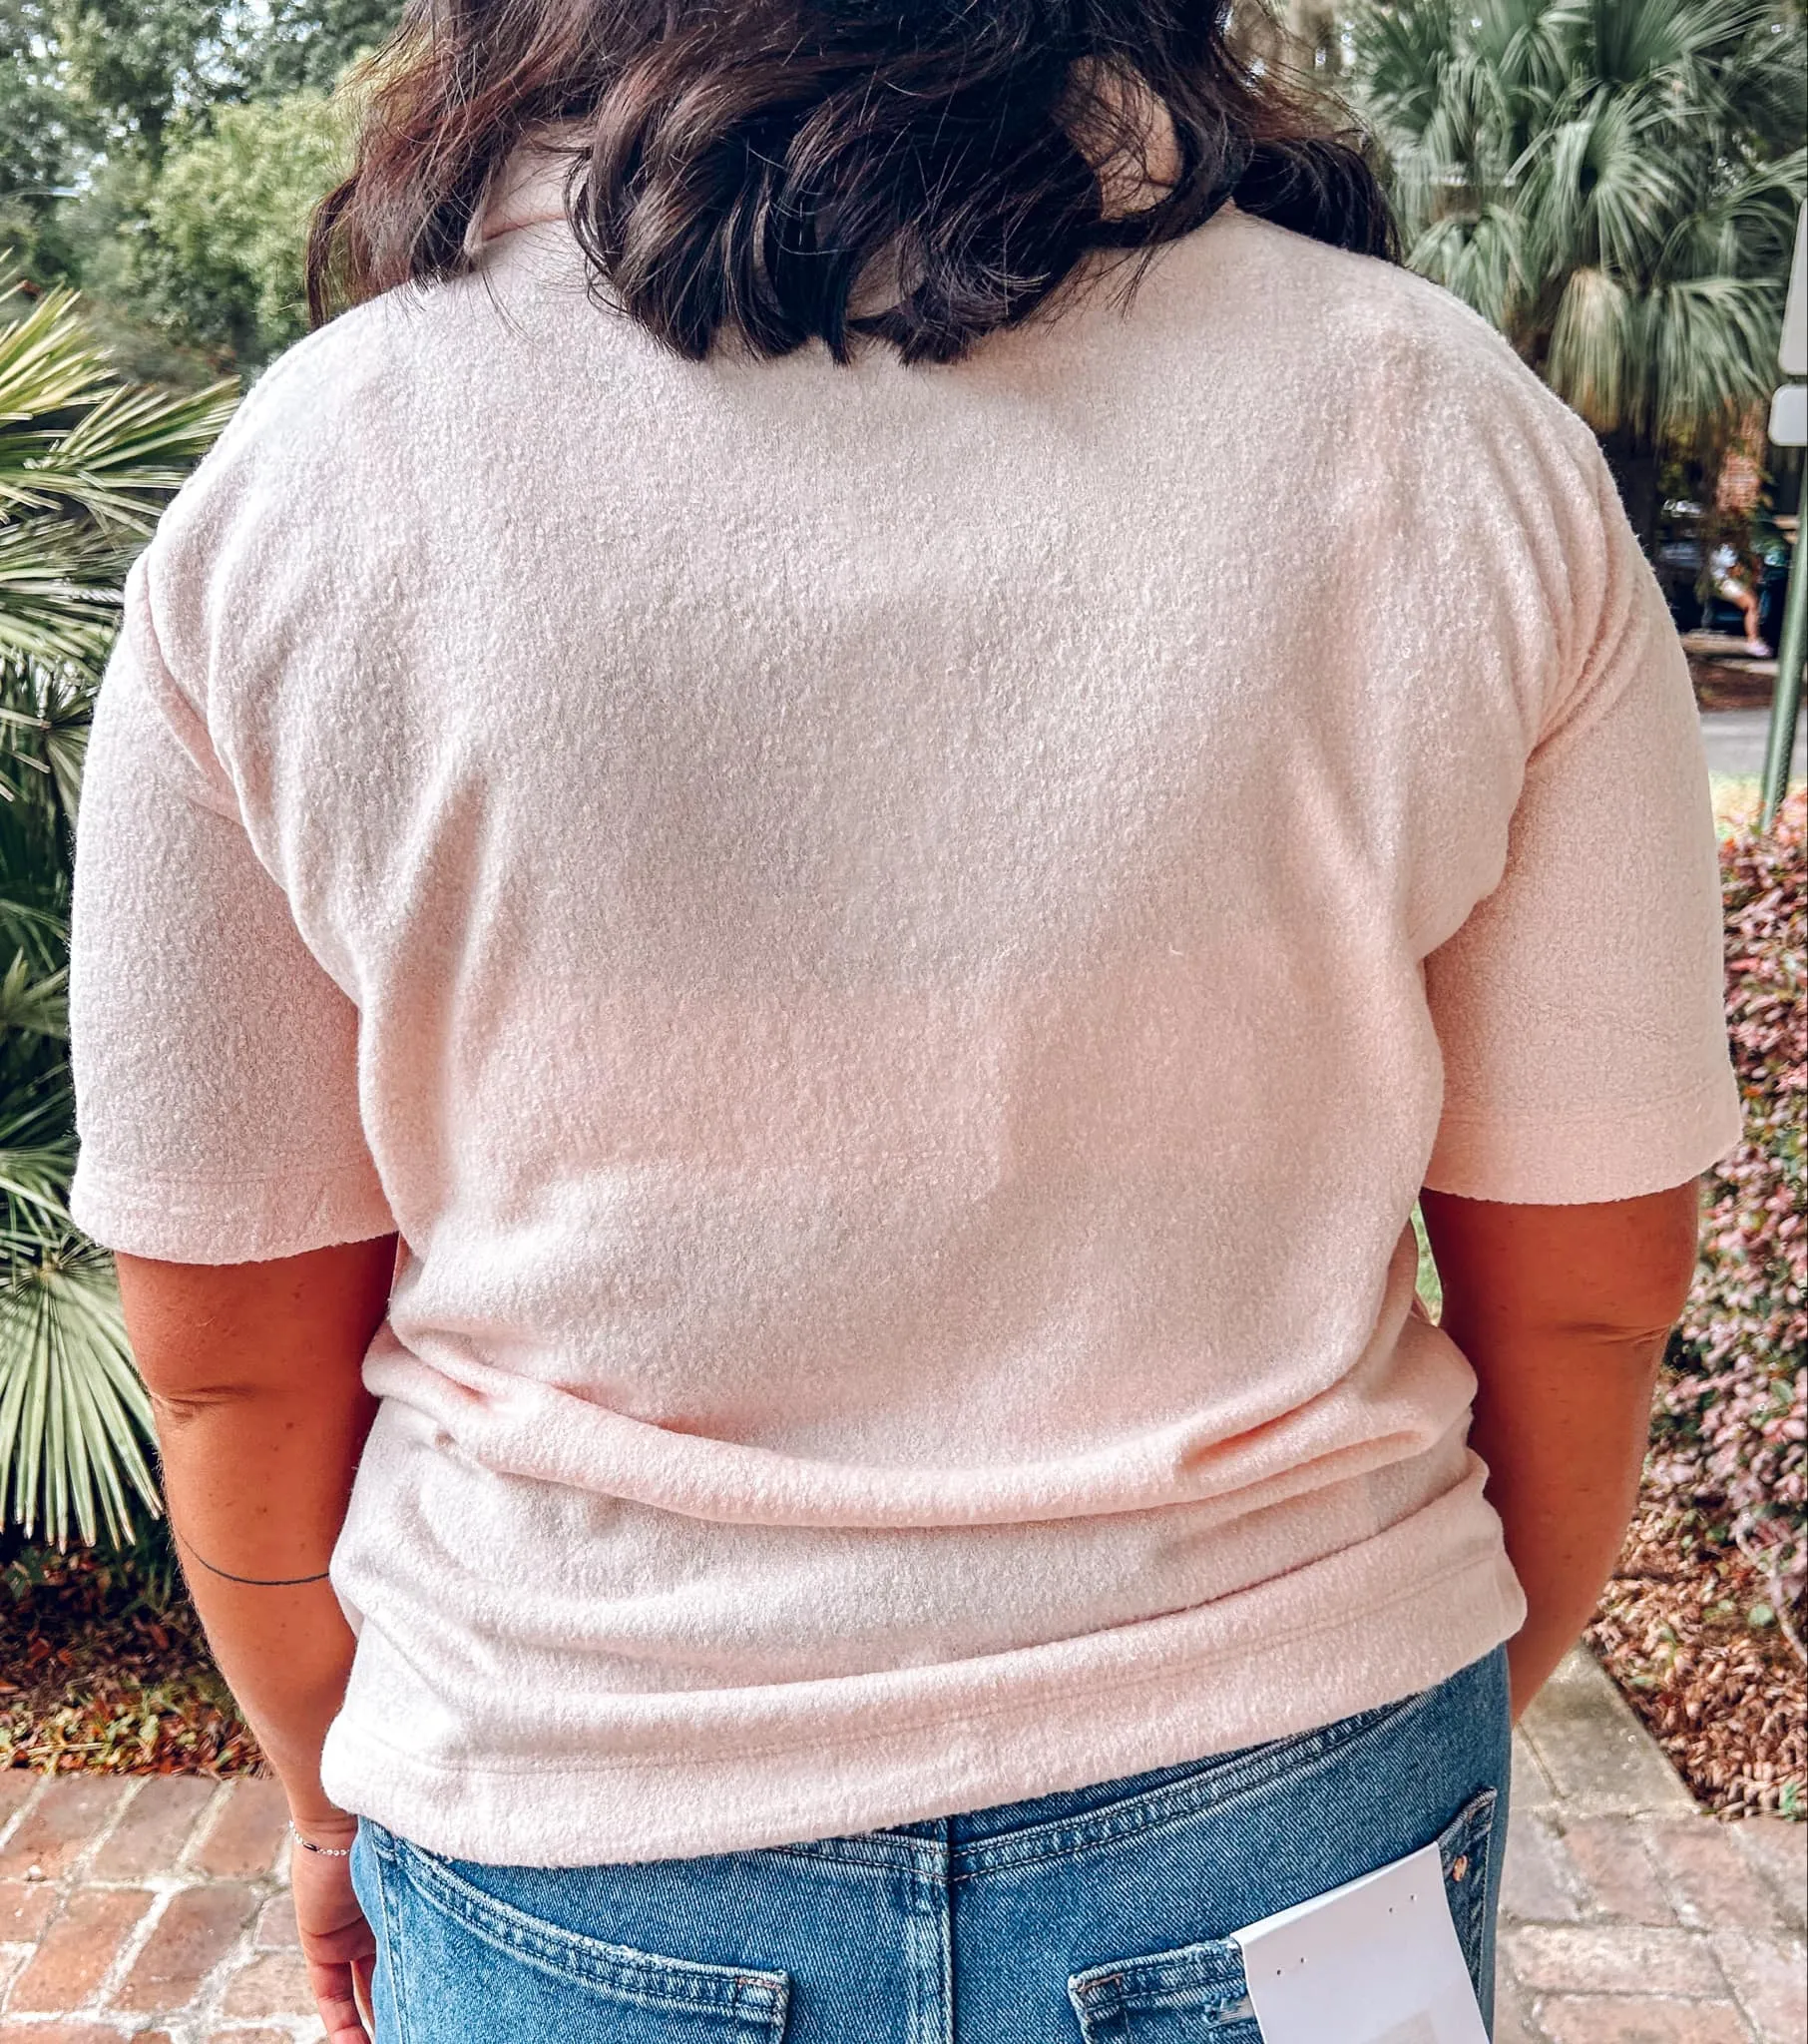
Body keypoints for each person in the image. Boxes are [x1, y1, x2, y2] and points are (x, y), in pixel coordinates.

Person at [67, 0, 1741, 2038]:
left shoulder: (315, 482)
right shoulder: (1449, 432)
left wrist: (337, 1789)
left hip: (581, 1817)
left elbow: (232, 1359)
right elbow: (1586, 1286)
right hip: (1296, 1795)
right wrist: (1413, 1715)